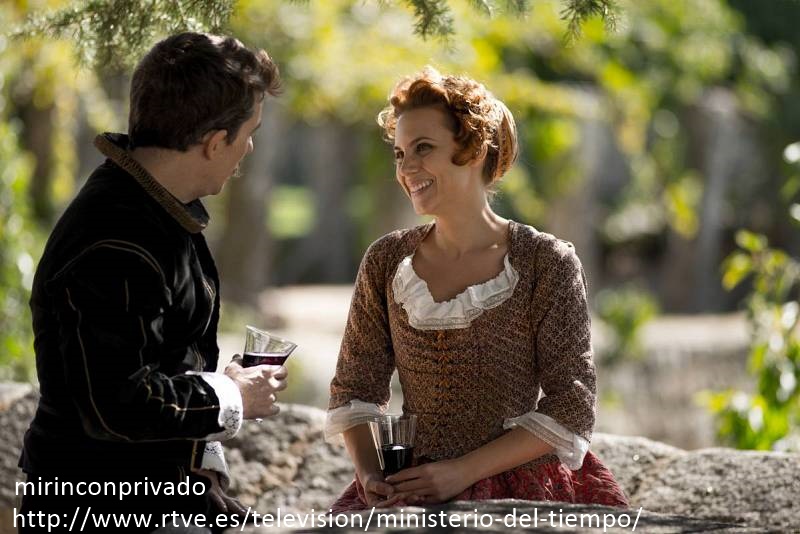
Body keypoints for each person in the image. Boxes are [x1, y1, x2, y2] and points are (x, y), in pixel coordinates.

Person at [18, 32, 287, 533]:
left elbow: (157, 364)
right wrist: (230, 396)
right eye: (249, 132)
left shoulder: (154, 208)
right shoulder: (117, 237)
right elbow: (117, 404)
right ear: (215, 143)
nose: (249, 147)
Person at [326, 67, 628, 511]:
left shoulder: (545, 262)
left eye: (423, 148)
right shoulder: (386, 260)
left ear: (473, 149)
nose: (406, 168)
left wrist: (461, 472)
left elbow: (572, 404)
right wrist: (371, 476)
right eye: (399, 153)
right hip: (409, 487)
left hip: (519, 488)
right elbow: (355, 387)